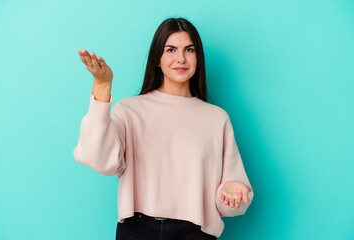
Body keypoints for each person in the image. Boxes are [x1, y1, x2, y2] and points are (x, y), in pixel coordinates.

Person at [73, 17, 254, 240]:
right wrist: (102, 86)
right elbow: (99, 159)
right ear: (157, 59)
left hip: (195, 234)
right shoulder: (130, 110)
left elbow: (231, 202)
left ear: (198, 58)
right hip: (137, 230)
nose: (181, 58)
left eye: (189, 49)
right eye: (170, 50)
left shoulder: (217, 119)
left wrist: (231, 194)